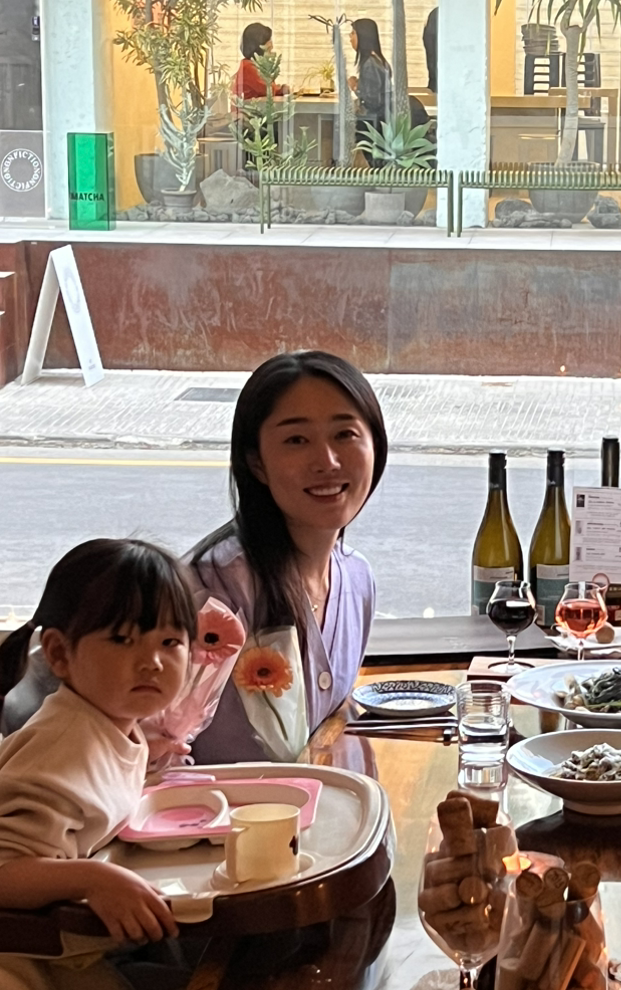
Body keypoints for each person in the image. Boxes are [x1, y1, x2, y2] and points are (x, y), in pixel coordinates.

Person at [188, 350, 388, 763]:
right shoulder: (215, 590)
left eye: (345, 434)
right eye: (296, 440)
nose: (327, 461)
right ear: (257, 463)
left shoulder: (357, 579)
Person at [0, 539, 196, 943]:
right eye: (122, 639)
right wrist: (93, 879)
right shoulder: (60, 754)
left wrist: (144, 757)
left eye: (169, 642)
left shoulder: (112, 724)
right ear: (59, 653)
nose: (152, 662)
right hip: (31, 959)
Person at [348, 18, 391, 160]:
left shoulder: (369, 63)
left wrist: (355, 87)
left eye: (353, 33)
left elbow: (372, 100)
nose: (350, 38)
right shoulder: (377, 59)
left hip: (373, 124)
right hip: (382, 121)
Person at [231, 22, 289, 101]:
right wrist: (283, 89)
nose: (272, 47)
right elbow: (269, 90)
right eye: (269, 42)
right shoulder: (248, 67)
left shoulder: (250, 65)